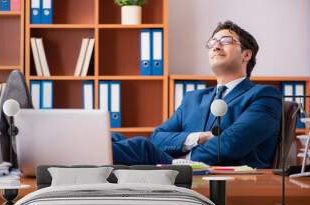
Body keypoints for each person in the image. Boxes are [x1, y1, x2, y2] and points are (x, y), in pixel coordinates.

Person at [112, 20, 282, 168]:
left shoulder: (264, 95)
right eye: (213, 41)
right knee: (111, 138)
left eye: (225, 41)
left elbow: (231, 142)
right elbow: (157, 137)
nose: (216, 46)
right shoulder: (192, 98)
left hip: (215, 174)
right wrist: (199, 137)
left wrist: (184, 160)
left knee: (141, 146)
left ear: (246, 54)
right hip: (177, 167)